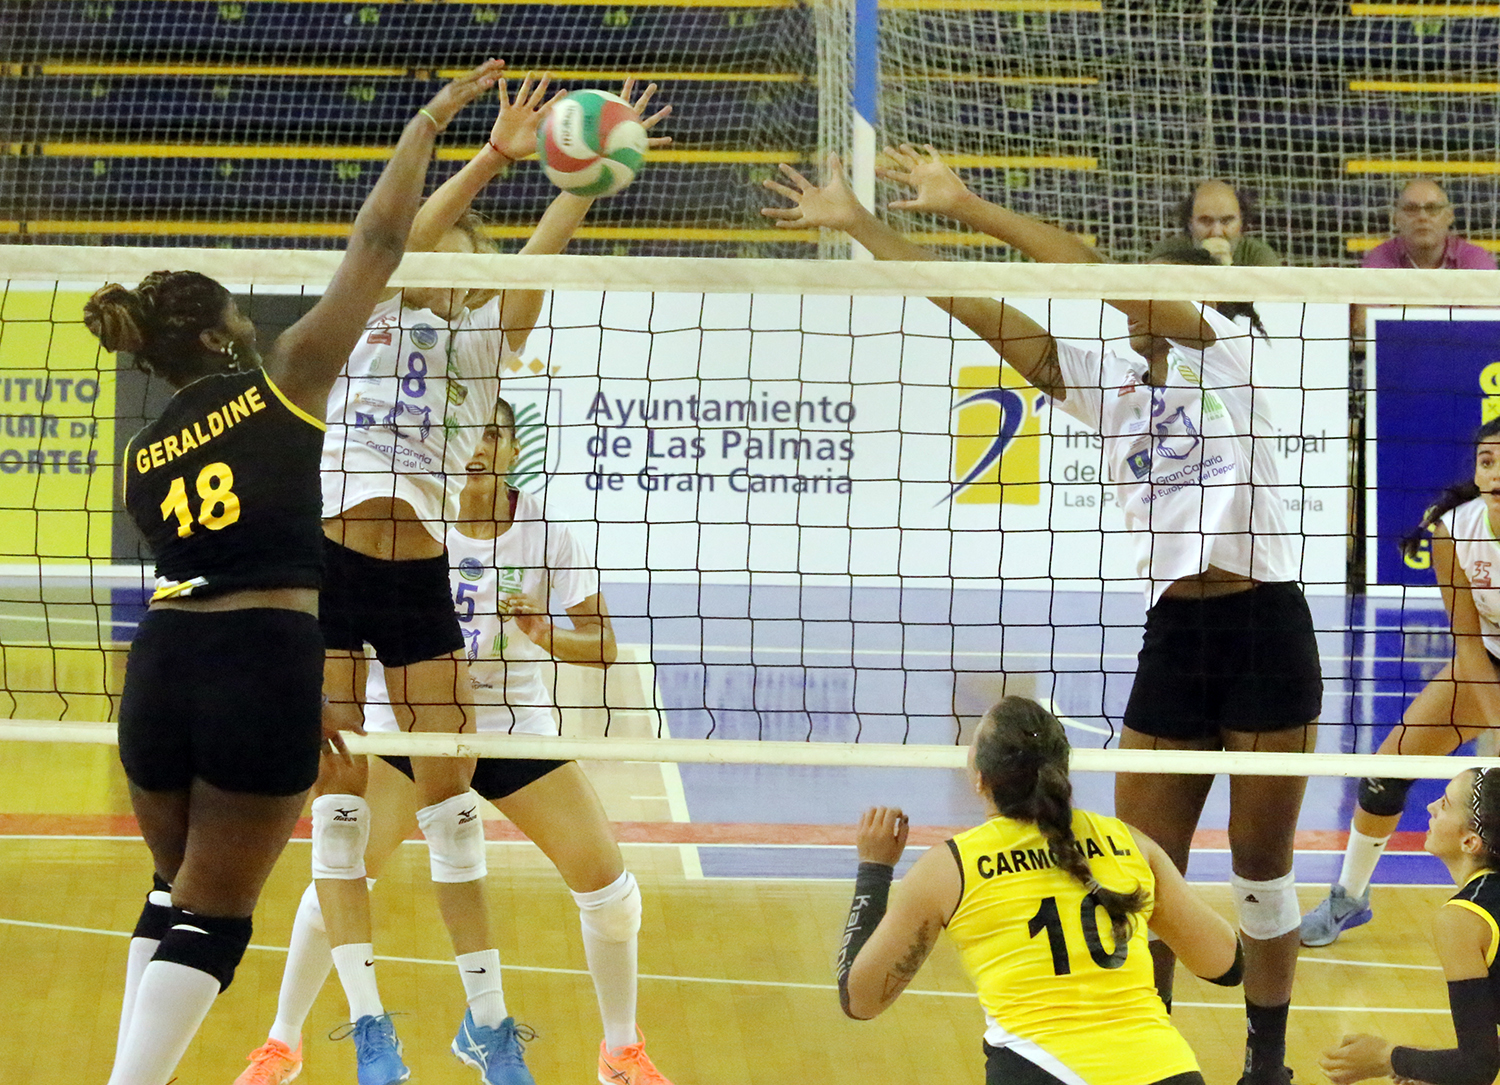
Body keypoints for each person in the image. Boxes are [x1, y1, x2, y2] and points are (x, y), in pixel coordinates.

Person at [763, 143, 1322, 1085]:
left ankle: (1267, 1066)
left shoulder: (1233, 357)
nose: (1134, 308)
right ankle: (1145, 1054)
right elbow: (973, 306)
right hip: (1174, 636)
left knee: (1261, 868)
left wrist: (968, 204)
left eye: (1149, 294)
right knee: (1143, 865)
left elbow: (1099, 274)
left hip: (1265, 625)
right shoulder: (1113, 385)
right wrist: (863, 225)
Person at [81, 61, 505, 1085]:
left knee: (172, 889)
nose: (250, 327)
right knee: (216, 917)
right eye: (239, 319)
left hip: (160, 663)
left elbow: (209, 558)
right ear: (221, 334)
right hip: (262, 656)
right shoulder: (286, 382)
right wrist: (432, 121)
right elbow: (380, 244)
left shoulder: (141, 455)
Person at [268, 76, 670, 1085]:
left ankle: (491, 1025)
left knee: (453, 811)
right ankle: (340, 1033)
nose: (446, 266)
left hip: (422, 590)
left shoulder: (486, 343)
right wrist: (490, 155)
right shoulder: (368, 310)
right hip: (330, 560)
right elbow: (393, 240)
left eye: (464, 261)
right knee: (337, 806)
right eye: (438, 253)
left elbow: (537, 260)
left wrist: (585, 175)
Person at [237, 402, 673, 1085]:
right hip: (410, 724)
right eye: (470, 432)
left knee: (611, 893)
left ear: (514, 450)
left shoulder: (546, 534)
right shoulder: (407, 525)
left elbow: (603, 645)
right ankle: (281, 1042)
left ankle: (621, 1050)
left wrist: (547, 633)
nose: (479, 445)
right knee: (340, 875)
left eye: (494, 434)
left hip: (512, 728)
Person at [835, 697, 1242, 1085]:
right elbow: (1227, 965)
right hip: (1165, 1070)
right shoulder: (1130, 843)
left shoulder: (948, 869)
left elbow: (861, 1000)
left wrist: (874, 869)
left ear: (980, 779)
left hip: (1041, 1069)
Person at [1303, 417, 1500, 946]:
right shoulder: (1453, 530)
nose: (1495, 473)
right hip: (1487, 659)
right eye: (1486, 461)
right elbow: (1467, 642)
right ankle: (1349, 895)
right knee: (1385, 773)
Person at [1320, 767, 1500, 1085]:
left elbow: (1478, 1068)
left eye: (1444, 804)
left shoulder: (1462, 919)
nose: (1430, 807)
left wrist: (1386, 1057)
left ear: (1470, 841)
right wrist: (1422, 1064)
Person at [1363, 179, 1498, 271]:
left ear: (1449, 216)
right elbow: (1369, 305)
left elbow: (1489, 305)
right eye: (1411, 209)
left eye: (1432, 208)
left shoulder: (1475, 258)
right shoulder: (1379, 258)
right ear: (1395, 218)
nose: (1422, 217)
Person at [1149, 179, 1281, 267]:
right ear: (1190, 224)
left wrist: (1228, 269)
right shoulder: (1167, 252)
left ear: (1242, 222)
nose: (1217, 232)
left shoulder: (1257, 255)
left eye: (1227, 221)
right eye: (1205, 221)